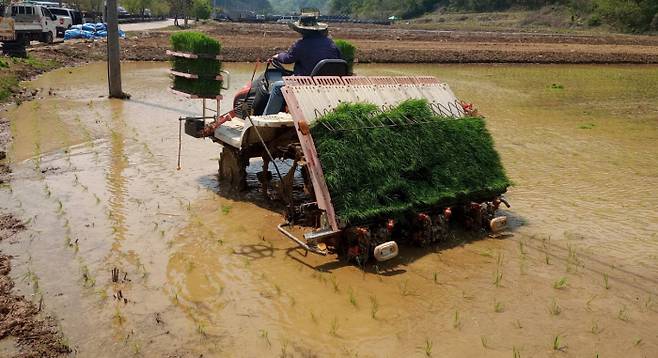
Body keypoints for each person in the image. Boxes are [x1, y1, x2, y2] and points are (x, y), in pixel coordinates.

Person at [263, 11, 342, 115]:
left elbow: (288, 59)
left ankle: (266, 118)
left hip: (306, 83)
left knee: (277, 87)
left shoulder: (301, 44)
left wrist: (277, 56)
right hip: (328, 83)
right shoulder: (331, 44)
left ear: (302, 31)